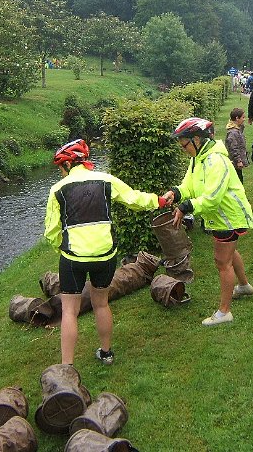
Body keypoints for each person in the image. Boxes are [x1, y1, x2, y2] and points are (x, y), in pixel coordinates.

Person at [44, 139, 168, 365]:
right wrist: (158, 201)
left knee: (69, 310)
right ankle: (106, 353)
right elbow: (134, 199)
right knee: (101, 303)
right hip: (105, 255)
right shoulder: (106, 179)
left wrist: (59, 248)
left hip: (73, 257)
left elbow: (52, 230)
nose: (61, 173)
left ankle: (66, 367)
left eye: (61, 168)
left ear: (68, 165)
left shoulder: (57, 190)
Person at [162, 118, 253, 326]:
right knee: (229, 253)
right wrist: (175, 194)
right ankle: (244, 286)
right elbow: (189, 185)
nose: (183, 149)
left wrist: (185, 207)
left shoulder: (215, 161)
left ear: (196, 139)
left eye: (184, 144)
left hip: (229, 217)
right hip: (222, 216)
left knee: (222, 262)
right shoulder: (198, 158)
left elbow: (212, 199)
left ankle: (224, 312)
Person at [225, 107, 249, 182]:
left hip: (236, 162)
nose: (244, 119)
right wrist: (238, 161)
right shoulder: (233, 132)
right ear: (237, 118)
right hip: (234, 163)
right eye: (243, 117)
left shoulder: (237, 130)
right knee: (237, 180)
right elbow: (233, 148)